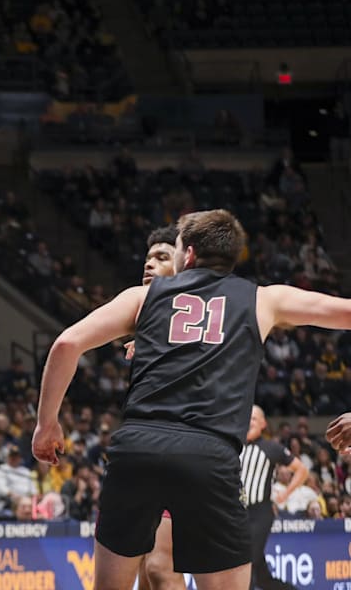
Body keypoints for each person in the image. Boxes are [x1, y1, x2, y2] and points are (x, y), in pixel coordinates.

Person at [33, 209, 351, 590]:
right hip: (208, 454)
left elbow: (67, 343)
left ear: (190, 254)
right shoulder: (264, 300)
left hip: (137, 449)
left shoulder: (144, 296)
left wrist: (46, 423)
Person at [128, 226, 185, 590]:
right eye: (148, 258)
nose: (149, 264)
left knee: (161, 569)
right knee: (145, 569)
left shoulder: (190, 312)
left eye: (161, 257)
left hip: (181, 450)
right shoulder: (143, 312)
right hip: (145, 451)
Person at [241, 406, 306, 590]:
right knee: (263, 579)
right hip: (237, 514)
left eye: (254, 418)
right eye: (247, 417)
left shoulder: (271, 448)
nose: (249, 422)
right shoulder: (235, 447)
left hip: (260, 513)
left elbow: (302, 470)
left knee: (247, 563)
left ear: (263, 424)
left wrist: (286, 493)